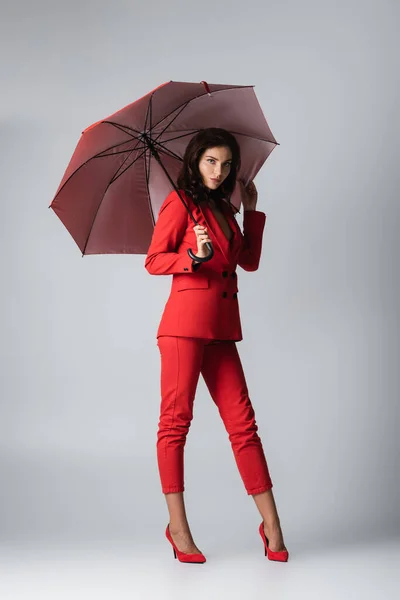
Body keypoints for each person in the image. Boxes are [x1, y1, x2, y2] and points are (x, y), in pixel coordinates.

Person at [145, 128, 288, 563]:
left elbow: (248, 261)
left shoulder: (224, 208)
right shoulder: (179, 204)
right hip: (184, 328)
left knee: (244, 424)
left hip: (222, 330)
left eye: (226, 164)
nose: (219, 170)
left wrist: (250, 210)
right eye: (211, 161)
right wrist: (192, 258)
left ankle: (273, 527)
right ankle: (179, 529)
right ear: (195, 161)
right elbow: (154, 261)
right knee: (176, 424)